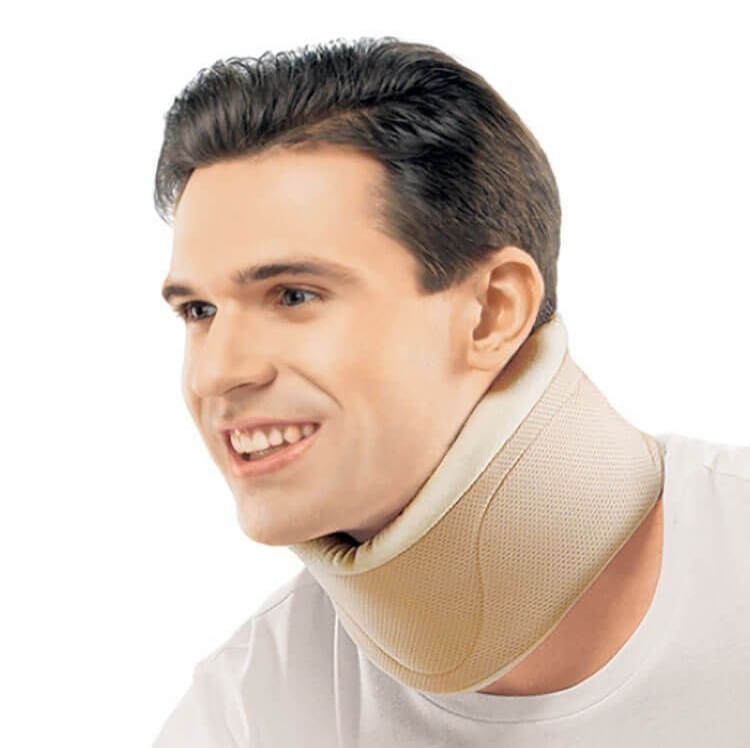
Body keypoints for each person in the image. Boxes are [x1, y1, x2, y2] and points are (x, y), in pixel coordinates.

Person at [151, 37, 749, 747]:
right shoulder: (250, 709)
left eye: (293, 295)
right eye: (199, 311)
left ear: (493, 311)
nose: (216, 374)